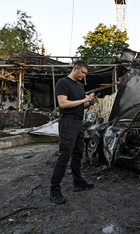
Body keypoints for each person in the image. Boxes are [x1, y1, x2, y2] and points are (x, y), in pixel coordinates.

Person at [50, 60, 97, 204]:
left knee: (78, 153)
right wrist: (84, 100)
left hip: (78, 122)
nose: (84, 75)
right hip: (67, 122)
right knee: (65, 155)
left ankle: (78, 182)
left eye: (85, 73)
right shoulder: (63, 83)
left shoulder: (80, 86)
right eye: (82, 72)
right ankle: (54, 190)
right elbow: (63, 104)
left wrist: (90, 102)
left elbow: (81, 104)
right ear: (75, 68)